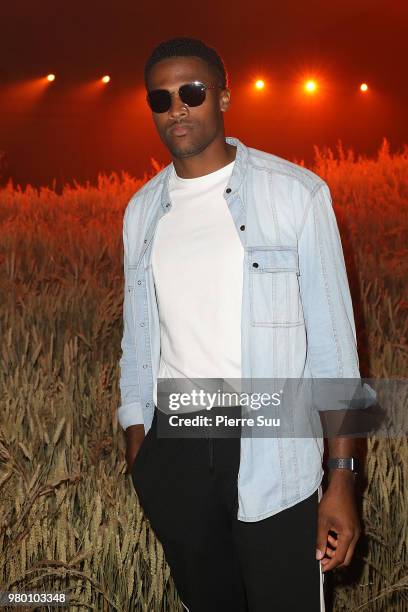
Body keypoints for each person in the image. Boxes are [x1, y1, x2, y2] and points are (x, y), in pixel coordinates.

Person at [117, 36, 362, 612]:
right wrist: (139, 450)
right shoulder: (141, 212)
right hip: (176, 449)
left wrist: (343, 477)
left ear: (223, 96)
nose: (177, 108)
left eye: (192, 92)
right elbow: (137, 344)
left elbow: (334, 353)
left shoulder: (296, 195)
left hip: (273, 452)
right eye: (161, 98)